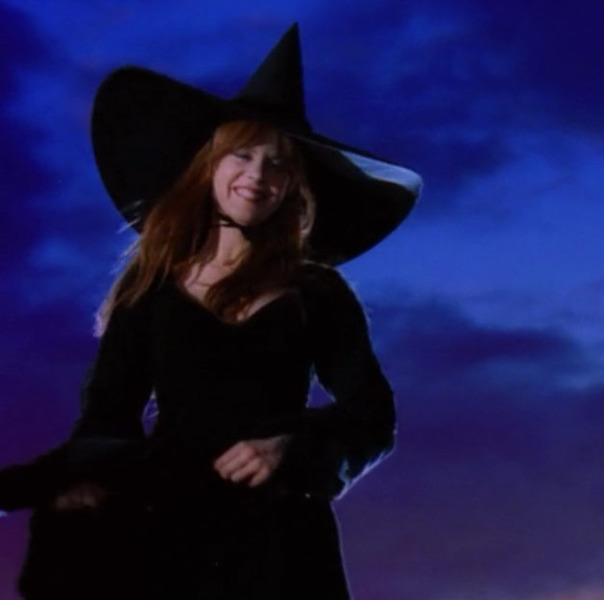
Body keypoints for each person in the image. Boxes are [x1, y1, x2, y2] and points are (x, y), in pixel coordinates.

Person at [0, 24, 421, 599]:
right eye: (241, 155)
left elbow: (372, 415)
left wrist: (291, 448)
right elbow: (107, 419)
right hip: (169, 538)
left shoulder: (318, 293)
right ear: (209, 166)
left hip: (283, 545)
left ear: (293, 184)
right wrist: (85, 483)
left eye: (278, 164)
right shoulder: (149, 290)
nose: (257, 176)